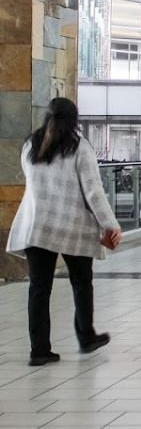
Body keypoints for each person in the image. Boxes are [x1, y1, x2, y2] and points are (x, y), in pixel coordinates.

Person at [6, 98, 120, 366]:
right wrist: (110, 225)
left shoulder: (30, 145)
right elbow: (93, 191)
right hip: (72, 226)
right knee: (81, 283)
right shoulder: (79, 147)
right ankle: (86, 337)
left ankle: (39, 350)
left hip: (37, 225)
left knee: (39, 289)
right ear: (74, 119)